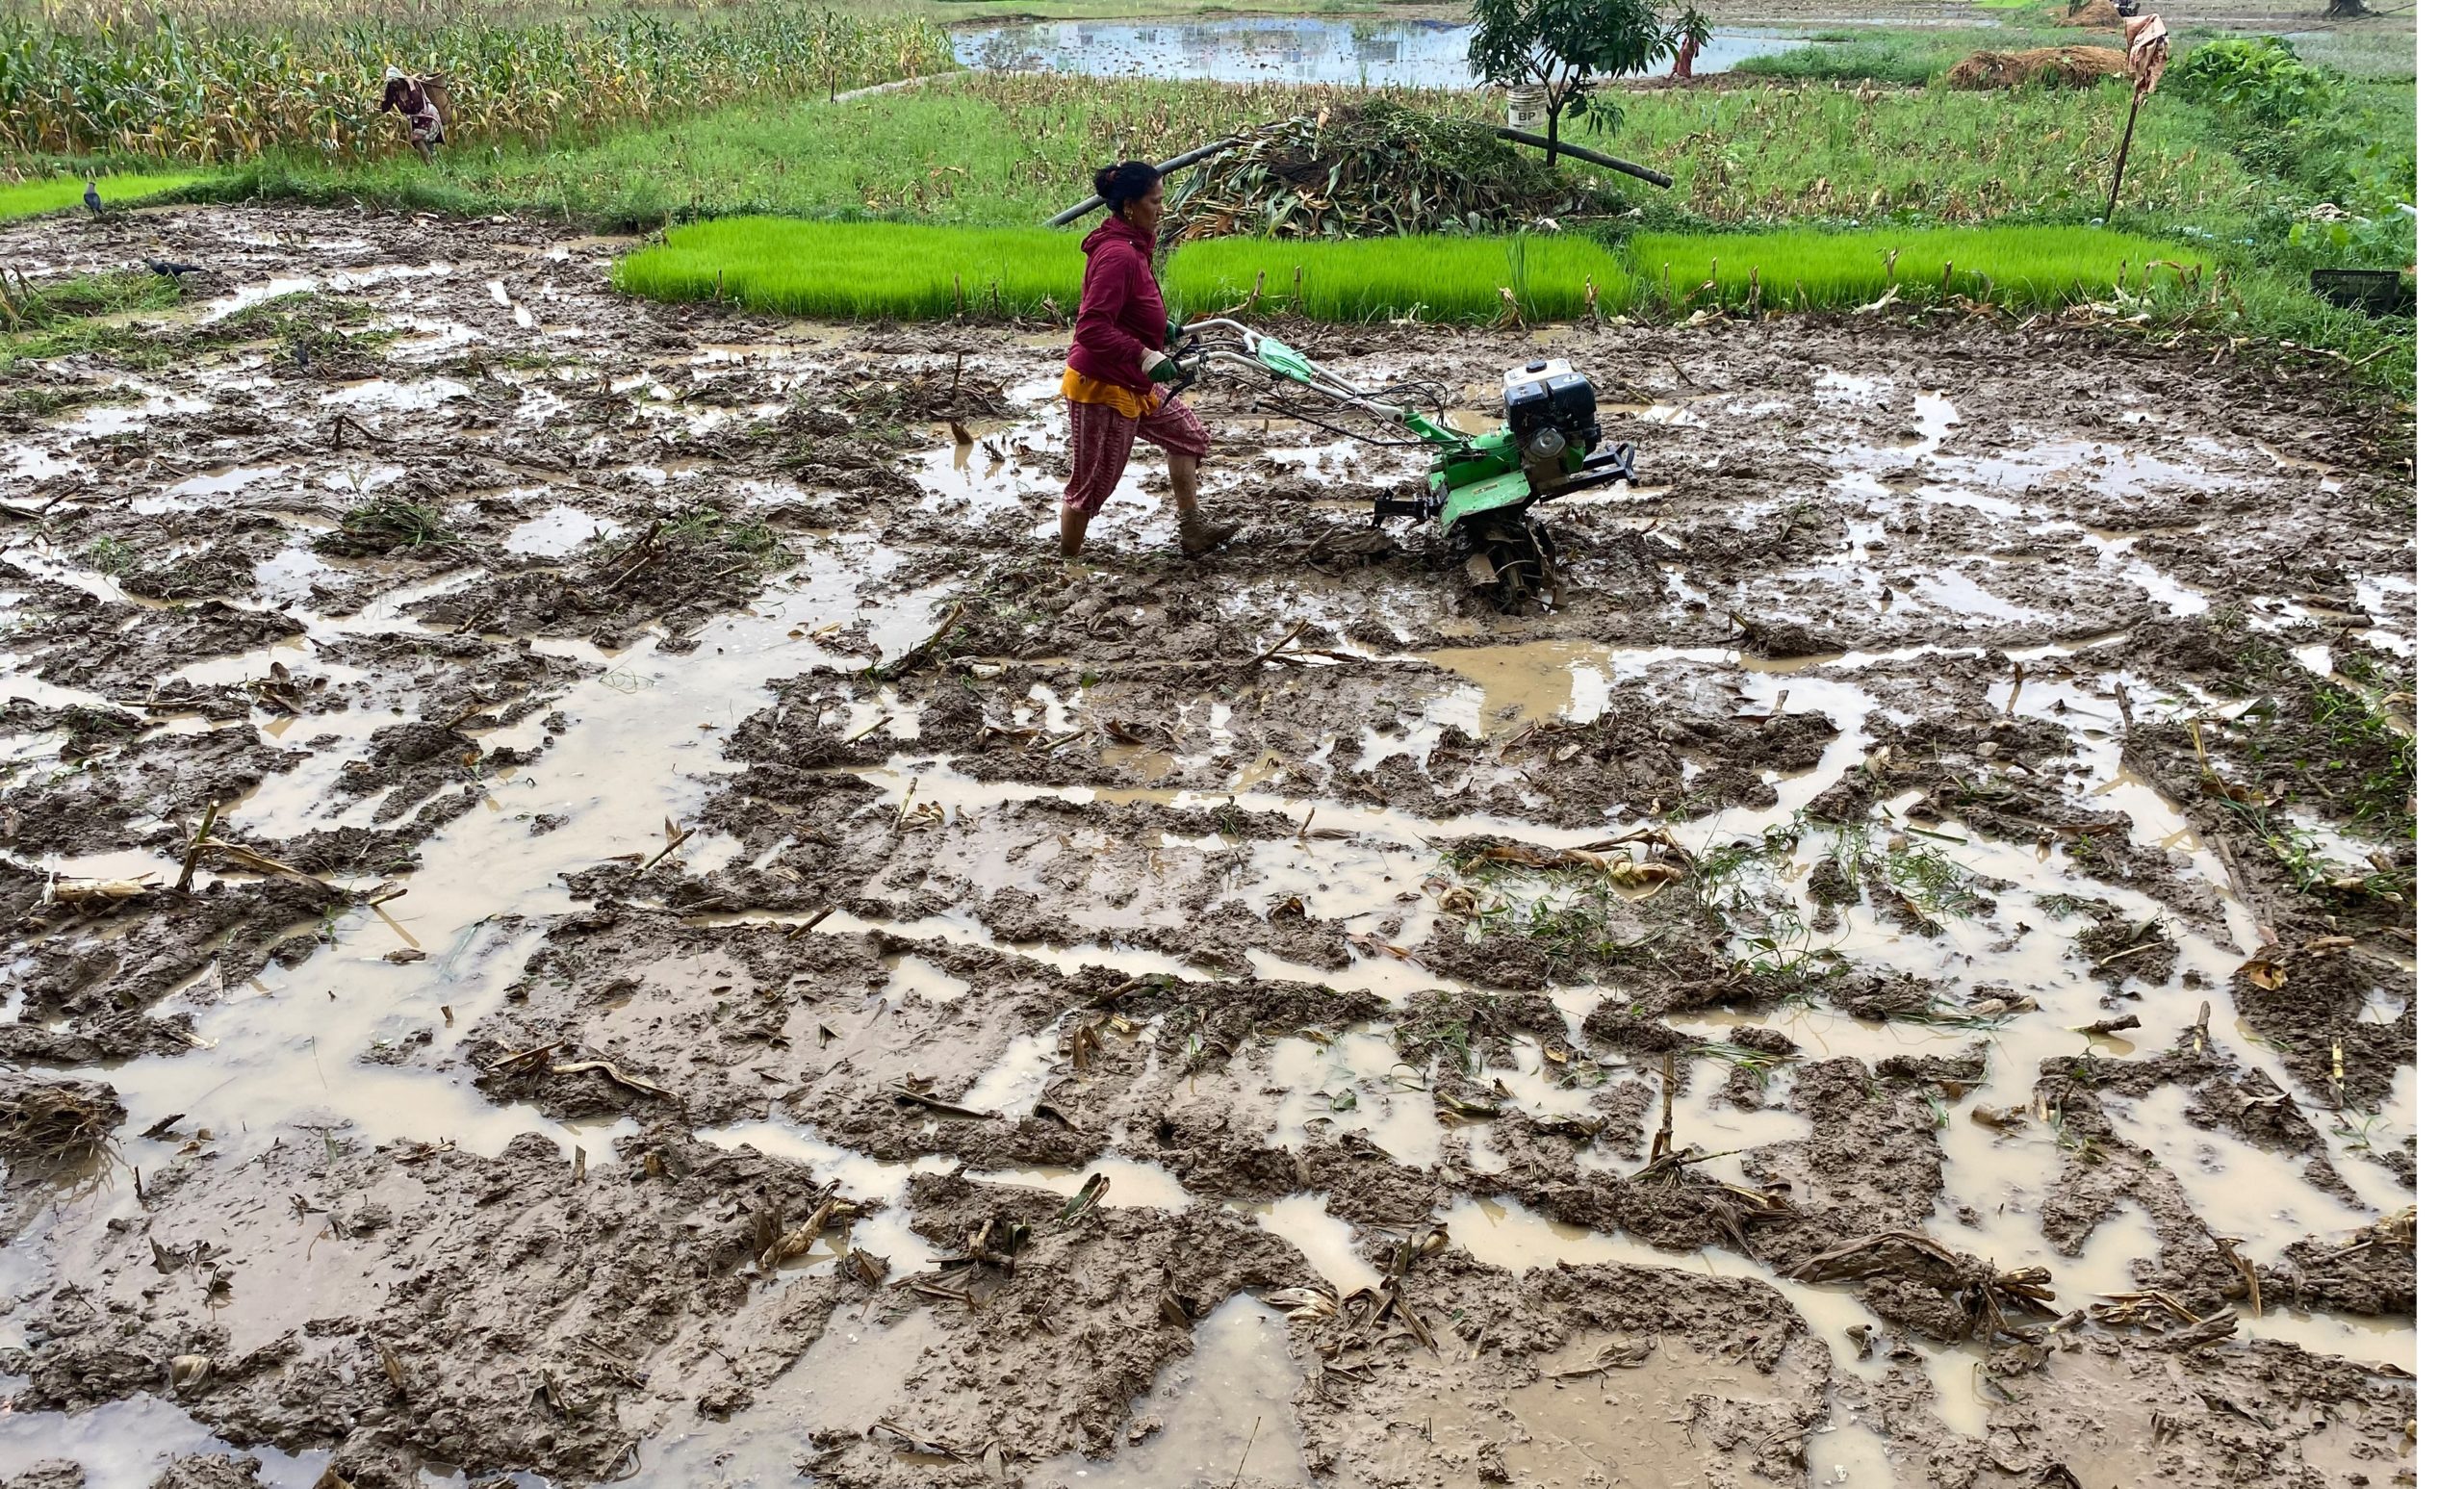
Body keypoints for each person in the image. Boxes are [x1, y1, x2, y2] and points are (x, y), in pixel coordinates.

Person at [1061, 162, 1236, 558]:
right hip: (1102, 385)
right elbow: (1090, 328)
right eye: (1155, 201)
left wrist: (1160, 329)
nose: (1162, 208)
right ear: (1128, 206)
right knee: (1092, 485)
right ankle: (1065, 566)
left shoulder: (1135, 245)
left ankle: (1192, 530)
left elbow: (1127, 308)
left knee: (1188, 435)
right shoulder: (1118, 255)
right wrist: (1144, 353)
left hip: (1130, 378)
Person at [380, 66, 445, 163]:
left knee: (418, 139)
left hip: (428, 116)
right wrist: (384, 95)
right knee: (427, 145)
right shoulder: (394, 92)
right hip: (416, 121)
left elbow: (417, 103)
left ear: (401, 79)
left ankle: (431, 165)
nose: (394, 85)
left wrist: (411, 84)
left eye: (396, 82)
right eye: (392, 84)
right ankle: (437, 167)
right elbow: (385, 108)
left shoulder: (413, 85)